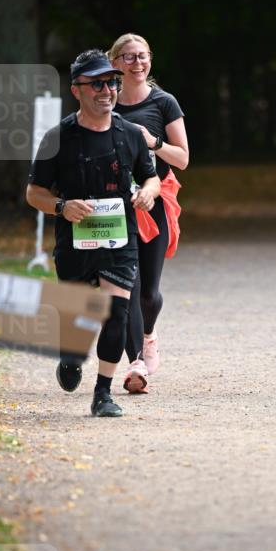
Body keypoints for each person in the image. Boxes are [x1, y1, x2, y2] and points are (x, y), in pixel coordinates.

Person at [26, 49, 161, 418]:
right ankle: (70, 354)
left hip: (120, 238)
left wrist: (149, 192)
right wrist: (61, 207)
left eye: (112, 82)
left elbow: (151, 176)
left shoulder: (130, 134)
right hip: (74, 240)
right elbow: (34, 192)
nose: (107, 90)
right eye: (98, 83)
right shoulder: (59, 137)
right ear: (77, 90)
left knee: (116, 311)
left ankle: (103, 393)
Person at [108, 33, 189, 395]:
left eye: (142, 56)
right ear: (115, 63)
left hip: (155, 199)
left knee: (149, 293)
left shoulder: (164, 103)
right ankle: (136, 363)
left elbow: (183, 159)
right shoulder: (105, 103)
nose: (136, 63)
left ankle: (149, 335)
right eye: (128, 57)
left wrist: (152, 142)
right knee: (128, 285)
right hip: (116, 205)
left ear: (150, 61)